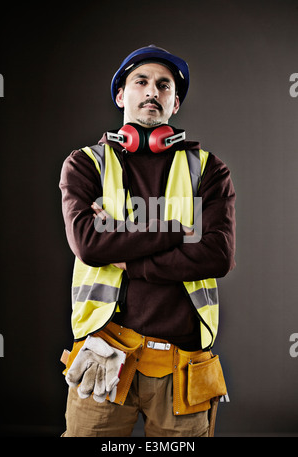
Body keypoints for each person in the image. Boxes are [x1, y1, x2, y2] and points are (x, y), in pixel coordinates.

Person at [59, 45, 236, 437]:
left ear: (175, 104)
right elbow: (89, 243)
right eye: (141, 82)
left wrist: (126, 252)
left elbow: (217, 255)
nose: (152, 91)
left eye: (164, 85)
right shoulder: (86, 163)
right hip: (104, 354)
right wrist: (177, 229)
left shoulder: (209, 170)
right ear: (122, 96)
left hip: (182, 364)